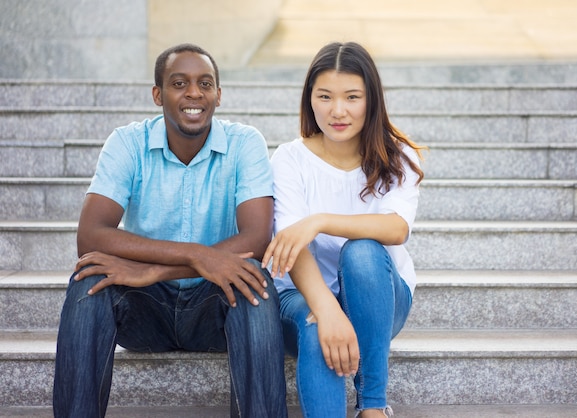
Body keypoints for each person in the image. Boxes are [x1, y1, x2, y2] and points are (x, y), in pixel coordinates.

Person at [53, 43, 287, 418]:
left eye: (205, 84)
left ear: (219, 96)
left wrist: (158, 269)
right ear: (158, 94)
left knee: (253, 278)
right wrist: (197, 254)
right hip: (146, 309)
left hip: (215, 306)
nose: (194, 93)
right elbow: (91, 235)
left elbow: (258, 239)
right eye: (180, 83)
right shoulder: (127, 143)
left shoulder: (246, 144)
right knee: (88, 278)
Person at [261, 41, 426, 418]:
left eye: (352, 97)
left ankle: (372, 406)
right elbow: (292, 248)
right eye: (325, 97)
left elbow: (396, 228)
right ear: (310, 100)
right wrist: (327, 310)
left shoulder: (398, 157)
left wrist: (318, 220)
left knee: (363, 251)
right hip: (302, 296)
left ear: (371, 100)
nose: (338, 111)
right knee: (318, 330)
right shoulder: (290, 159)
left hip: (380, 299)